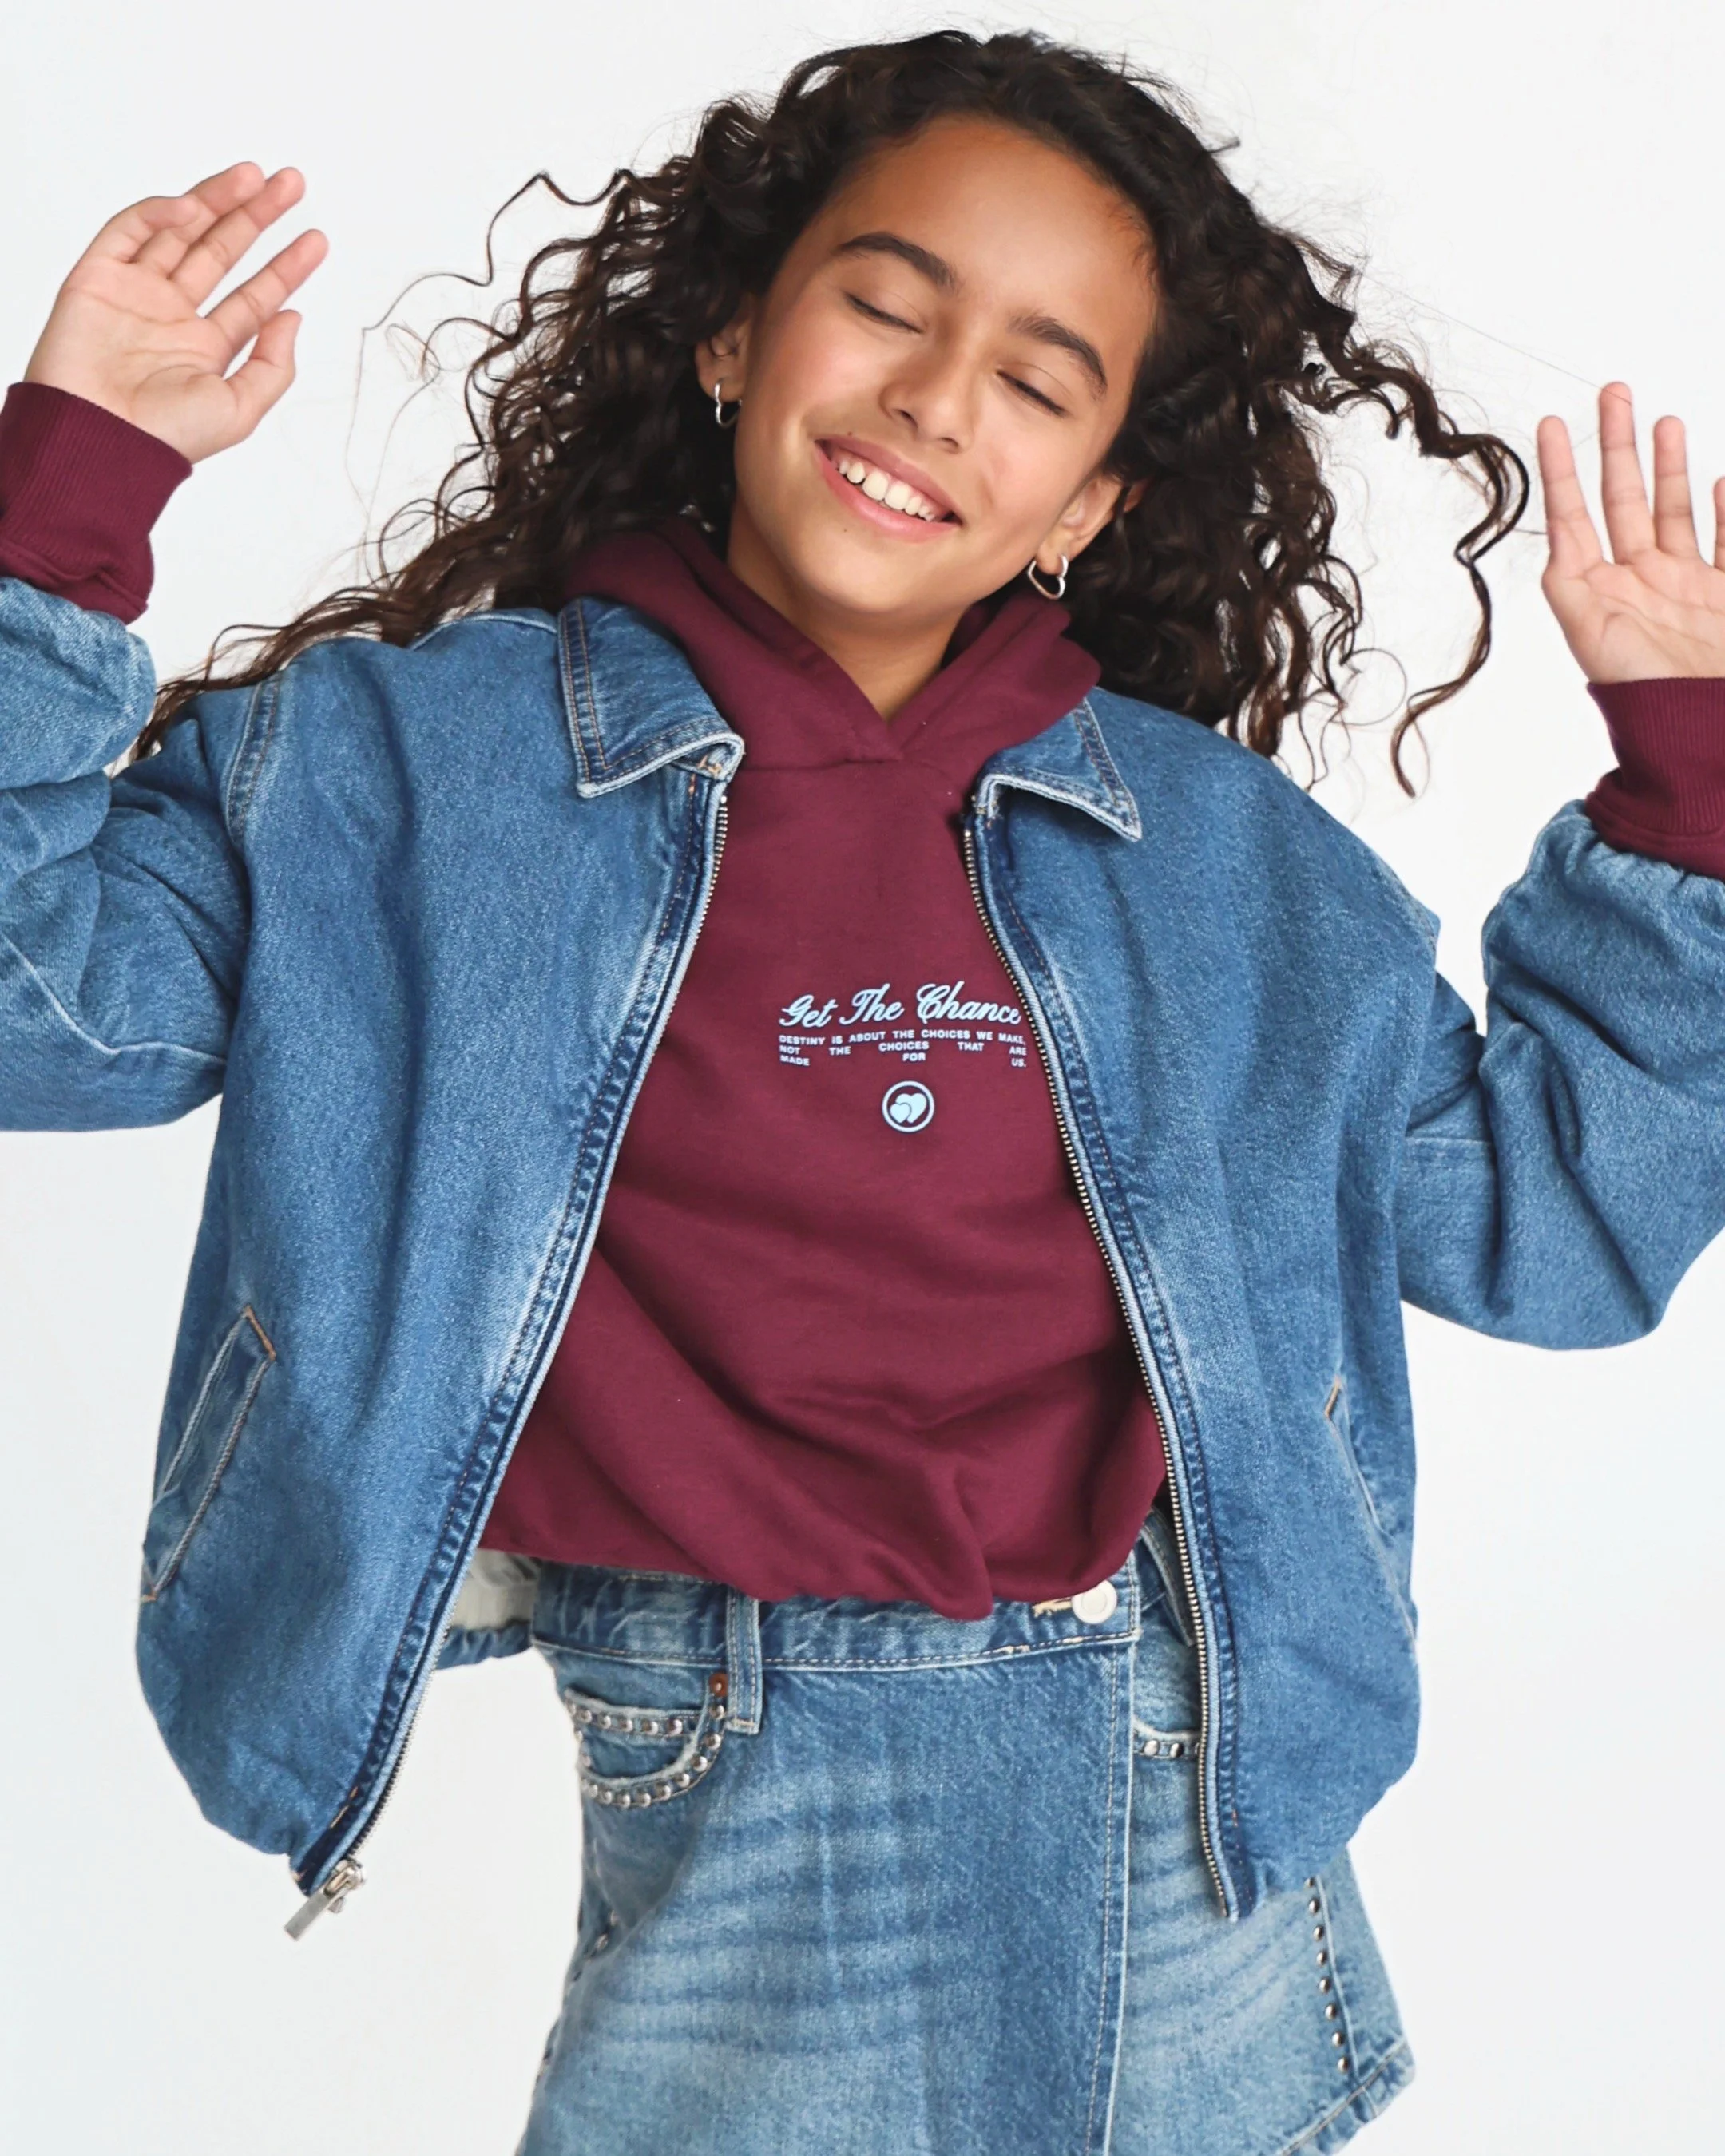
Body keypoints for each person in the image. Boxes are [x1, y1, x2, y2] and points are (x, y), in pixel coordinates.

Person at [3, 28, 1722, 2155]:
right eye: (888, 303)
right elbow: (34, 1005)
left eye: (1038, 380)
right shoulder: (394, 777)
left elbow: (1557, 1230)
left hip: (1172, 1802)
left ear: (1091, 501)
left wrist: (1691, 793)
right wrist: (69, 494)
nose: (934, 396)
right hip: (730, 1766)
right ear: (734, 331)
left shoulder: (1222, 869)